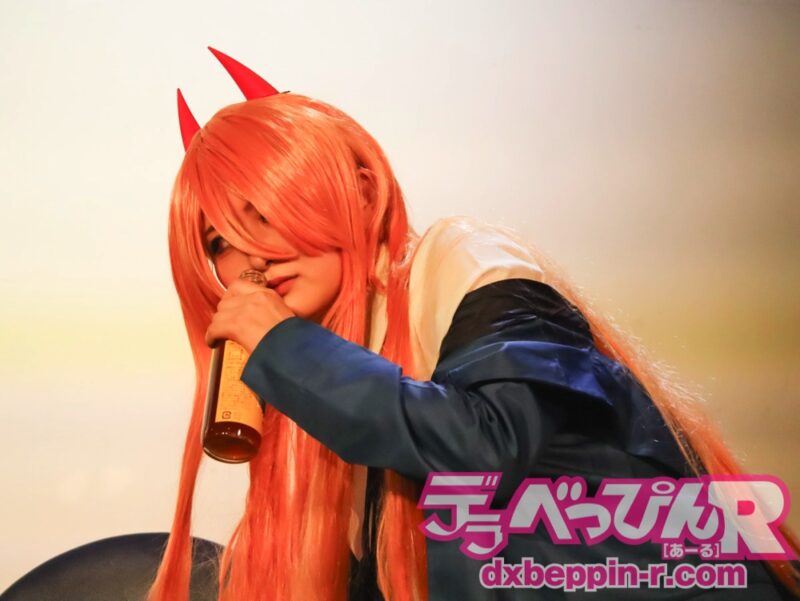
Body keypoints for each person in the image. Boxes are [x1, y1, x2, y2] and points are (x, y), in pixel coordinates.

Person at [147, 48, 800, 601]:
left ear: (360, 189)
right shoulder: (334, 398)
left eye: (265, 209)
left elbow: (488, 454)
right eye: (219, 240)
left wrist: (287, 351)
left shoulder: (464, 263)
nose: (251, 253)